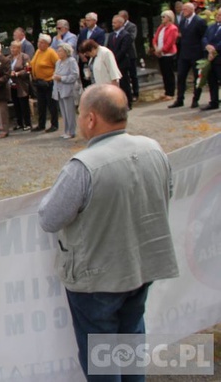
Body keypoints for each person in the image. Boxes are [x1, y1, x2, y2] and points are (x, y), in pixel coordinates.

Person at [38, 84, 178, 381]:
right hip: (141, 268)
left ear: (91, 119)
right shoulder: (154, 148)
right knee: (130, 346)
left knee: (102, 360)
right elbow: (167, 192)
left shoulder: (83, 167)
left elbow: (49, 218)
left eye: (79, 114)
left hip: (97, 278)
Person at [170, 2, 207, 109]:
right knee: (181, 76)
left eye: (185, 9)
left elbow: (203, 38)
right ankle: (179, 99)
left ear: (192, 10)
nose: (183, 11)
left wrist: (203, 55)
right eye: (183, 10)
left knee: (197, 78)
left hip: (196, 54)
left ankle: (196, 99)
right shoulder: (182, 21)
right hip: (184, 55)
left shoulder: (199, 21)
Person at [30, 34, 59, 132]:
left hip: (48, 82)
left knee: (51, 104)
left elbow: (58, 65)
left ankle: (54, 124)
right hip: (39, 82)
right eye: (39, 42)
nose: (39, 44)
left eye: (42, 42)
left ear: (47, 44)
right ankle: (41, 124)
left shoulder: (51, 52)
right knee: (41, 105)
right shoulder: (38, 51)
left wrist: (53, 76)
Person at [150, 10, 179, 102]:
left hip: (168, 54)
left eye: (164, 17)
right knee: (164, 73)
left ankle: (171, 93)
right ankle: (166, 91)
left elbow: (169, 43)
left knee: (169, 73)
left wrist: (160, 50)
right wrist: (155, 48)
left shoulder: (173, 28)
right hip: (160, 53)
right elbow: (155, 39)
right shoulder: (161, 27)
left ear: (169, 18)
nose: (162, 19)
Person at [52, 44, 80, 139]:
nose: (58, 53)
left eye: (60, 51)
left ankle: (71, 131)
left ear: (66, 52)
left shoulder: (71, 61)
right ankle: (66, 130)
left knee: (70, 112)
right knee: (63, 112)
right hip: (59, 90)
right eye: (58, 51)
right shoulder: (58, 62)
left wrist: (62, 78)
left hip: (68, 89)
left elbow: (75, 75)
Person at [107, 14, 135, 108]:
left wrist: (114, 59)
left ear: (120, 23)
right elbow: (109, 48)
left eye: (114, 23)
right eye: (112, 22)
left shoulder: (125, 35)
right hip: (114, 63)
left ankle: (128, 102)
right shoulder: (111, 35)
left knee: (124, 84)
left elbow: (123, 50)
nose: (113, 24)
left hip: (122, 63)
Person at [200, 9, 221, 111]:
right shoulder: (211, 26)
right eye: (217, 14)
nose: (218, 16)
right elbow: (204, 37)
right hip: (209, 57)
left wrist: (214, 49)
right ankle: (214, 102)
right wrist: (207, 46)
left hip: (219, 58)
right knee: (211, 81)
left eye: (220, 15)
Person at [9, 40, 32, 131]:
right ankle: (19, 123)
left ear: (19, 48)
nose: (12, 49)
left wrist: (18, 73)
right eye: (11, 47)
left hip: (22, 83)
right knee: (16, 104)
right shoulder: (9, 58)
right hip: (12, 84)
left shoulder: (24, 57)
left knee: (24, 104)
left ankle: (27, 123)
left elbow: (27, 69)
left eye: (14, 48)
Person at [119, 10, 140, 101]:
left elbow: (131, 38)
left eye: (121, 17)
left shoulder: (131, 26)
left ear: (126, 18)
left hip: (130, 54)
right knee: (124, 76)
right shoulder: (118, 27)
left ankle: (136, 93)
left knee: (133, 74)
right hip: (122, 55)